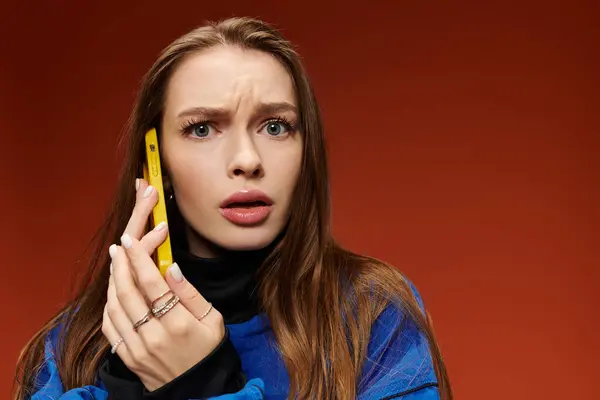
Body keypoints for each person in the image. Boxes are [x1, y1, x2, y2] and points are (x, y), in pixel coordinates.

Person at [13, 17, 452, 400]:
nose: (247, 159)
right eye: (202, 129)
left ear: (307, 150)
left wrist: (204, 383)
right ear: (156, 162)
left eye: (275, 126)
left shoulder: (370, 314)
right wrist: (128, 383)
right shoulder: (72, 344)